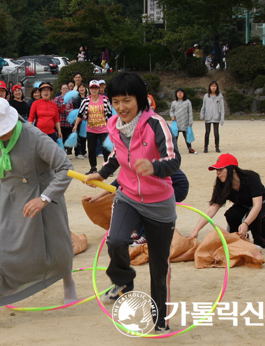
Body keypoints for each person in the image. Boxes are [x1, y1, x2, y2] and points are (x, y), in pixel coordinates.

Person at [84, 72, 180, 332]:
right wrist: (102, 173)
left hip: (159, 203)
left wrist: (153, 166)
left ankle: (160, 320)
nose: (121, 107)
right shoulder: (114, 123)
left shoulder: (155, 123)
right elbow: (116, 154)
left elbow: (173, 160)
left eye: (126, 100)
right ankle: (124, 281)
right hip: (127, 196)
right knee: (115, 241)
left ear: (139, 99)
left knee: (159, 267)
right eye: (115, 101)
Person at [0, 97, 77, 320]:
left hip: (41, 193)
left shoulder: (35, 137)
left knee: (56, 244)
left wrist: (45, 198)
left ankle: (68, 281)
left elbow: (65, 168)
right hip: (7, 194)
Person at [188, 154, 265, 250]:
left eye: (221, 169)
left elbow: (257, 205)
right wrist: (195, 231)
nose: (218, 173)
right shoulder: (222, 184)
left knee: (257, 216)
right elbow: (212, 209)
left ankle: (263, 242)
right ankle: (239, 239)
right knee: (231, 214)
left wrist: (246, 223)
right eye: (216, 170)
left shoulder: (251, 177)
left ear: (232, 169)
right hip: (245, 207)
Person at [73, 80, 112, 174]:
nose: (94, 90)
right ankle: (93, 168)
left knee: (106, 149)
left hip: (103, 128)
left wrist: (112, 127)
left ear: (99, 88)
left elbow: (110, 115)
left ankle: (107, 168)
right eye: (92, 88)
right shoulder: (86, 101)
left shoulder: (105, 100)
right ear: (89, 89)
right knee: (91, 149)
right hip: (91, 129)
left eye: (96, 88)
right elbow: (80, 114)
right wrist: (75, 125)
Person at [200, 81, 224, 153]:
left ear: (217, 87)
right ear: (210, 87)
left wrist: (222, 118)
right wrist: (202, 115)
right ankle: (206, 147)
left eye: (215, 86)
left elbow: (222, 108)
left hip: (216, 117)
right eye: (212, 86)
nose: (213, 88)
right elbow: (203, 106)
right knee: (207, 132)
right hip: (208, 117)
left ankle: (217, 147)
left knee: (216, 133)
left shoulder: (219, 96)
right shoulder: (206, 96)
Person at [170, 88, 197, 154]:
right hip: (176, 123)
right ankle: (174, 150)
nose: (179, 94)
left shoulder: (187, 102)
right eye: (178, 92)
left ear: (184, 94)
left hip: (185, 123)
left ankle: (190, 148)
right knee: (175, 137)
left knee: (187, 136)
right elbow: (171, 111)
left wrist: (190, 122)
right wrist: (172, 116)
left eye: (181, 92)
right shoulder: (174, 102)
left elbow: (190, 112)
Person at [53, 83, 74, 154]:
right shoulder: (57, 98)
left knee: (67, 138)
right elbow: (57, 109)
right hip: (60, 122)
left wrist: (70, 110)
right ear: (61, 90)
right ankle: (61, 153)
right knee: (60, 138)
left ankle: (65, 153)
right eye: (64, 88)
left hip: (68, 122)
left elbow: (72, 108)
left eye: (66, 88)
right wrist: (67, 110)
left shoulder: (70, 98)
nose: (65, 90)